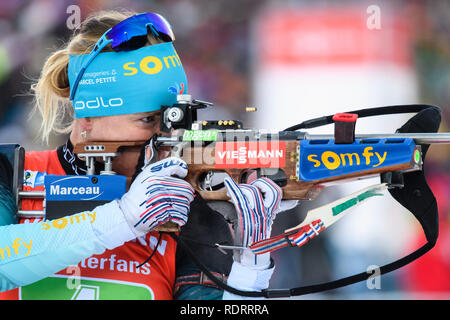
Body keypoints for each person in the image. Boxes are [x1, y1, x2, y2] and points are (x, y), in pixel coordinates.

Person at [0, 10, 295, 300]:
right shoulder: (12, 173)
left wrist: (249, 271)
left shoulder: (184, 210)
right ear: (88, 117)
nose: (166, 136)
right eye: (147, 120)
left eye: (172, 120)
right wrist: (124, 218)